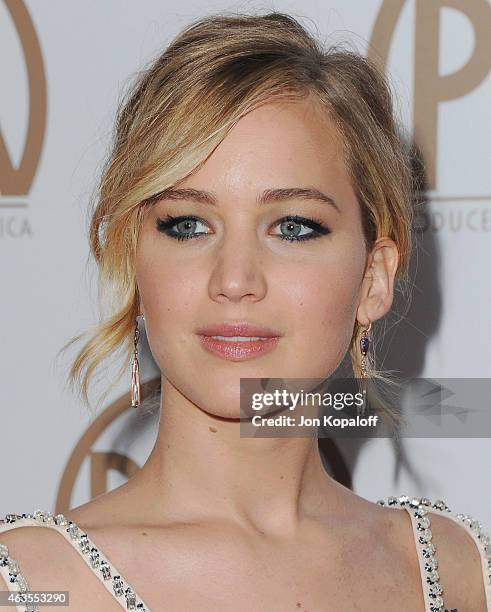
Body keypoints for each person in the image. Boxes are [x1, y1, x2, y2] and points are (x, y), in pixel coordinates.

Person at [1, 11, 489, 612]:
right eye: (188, 225)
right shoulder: (33, 585)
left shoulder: (456, 571)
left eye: (292, 227)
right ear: (136, 264)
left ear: (373, 277)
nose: (234, 280)